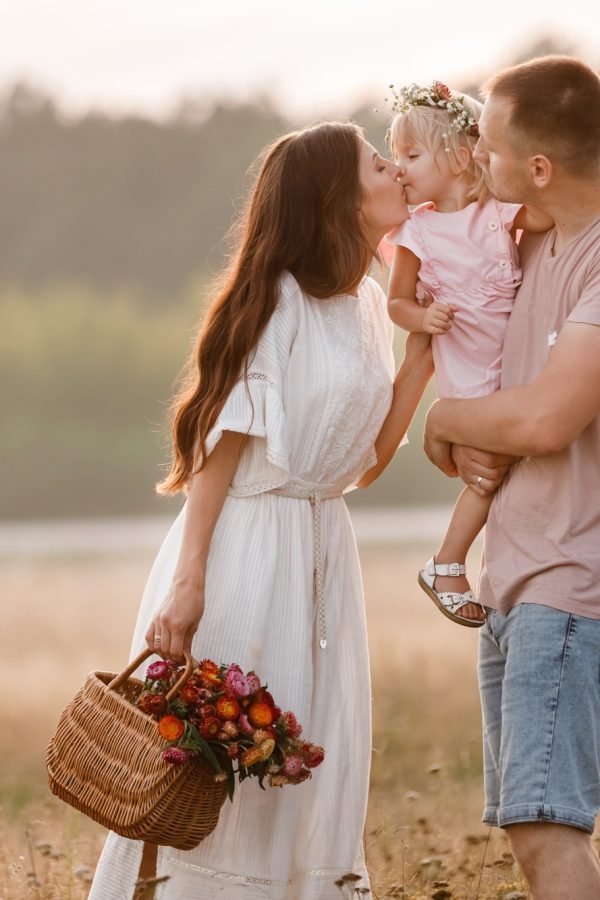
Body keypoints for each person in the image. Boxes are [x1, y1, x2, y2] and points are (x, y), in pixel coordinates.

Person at [88, 121, 437, 900]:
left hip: (321, 548)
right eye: (379, 164)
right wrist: (189, 582)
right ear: (338, 200)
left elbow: (363, 467)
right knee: (228, 766)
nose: (396, 173)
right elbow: (222, 452)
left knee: (313, 754)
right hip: (247, 549)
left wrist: (421, 365)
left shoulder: (370, 307)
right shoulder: (276, 303)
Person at [423, 56, 600, 899]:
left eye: (488, 150)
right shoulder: (526, 241)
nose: (475, 164)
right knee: (533, 833)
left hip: (570, 586)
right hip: (514, 585)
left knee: (544, 827)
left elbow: (543, 421)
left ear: (539, 166)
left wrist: (447, 421)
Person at [385, 81, 551, 627]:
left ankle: (480, 562)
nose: (400, 168)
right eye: (394, 157)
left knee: (506, 468)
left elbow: (547, 218)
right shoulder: (419, 232)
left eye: (411, 155)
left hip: (515, 369)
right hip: (469, 374)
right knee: (489, 472)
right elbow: (397, 303)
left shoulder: (495, 214)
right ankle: (447, 561)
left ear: (460, 157)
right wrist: (423, 317)